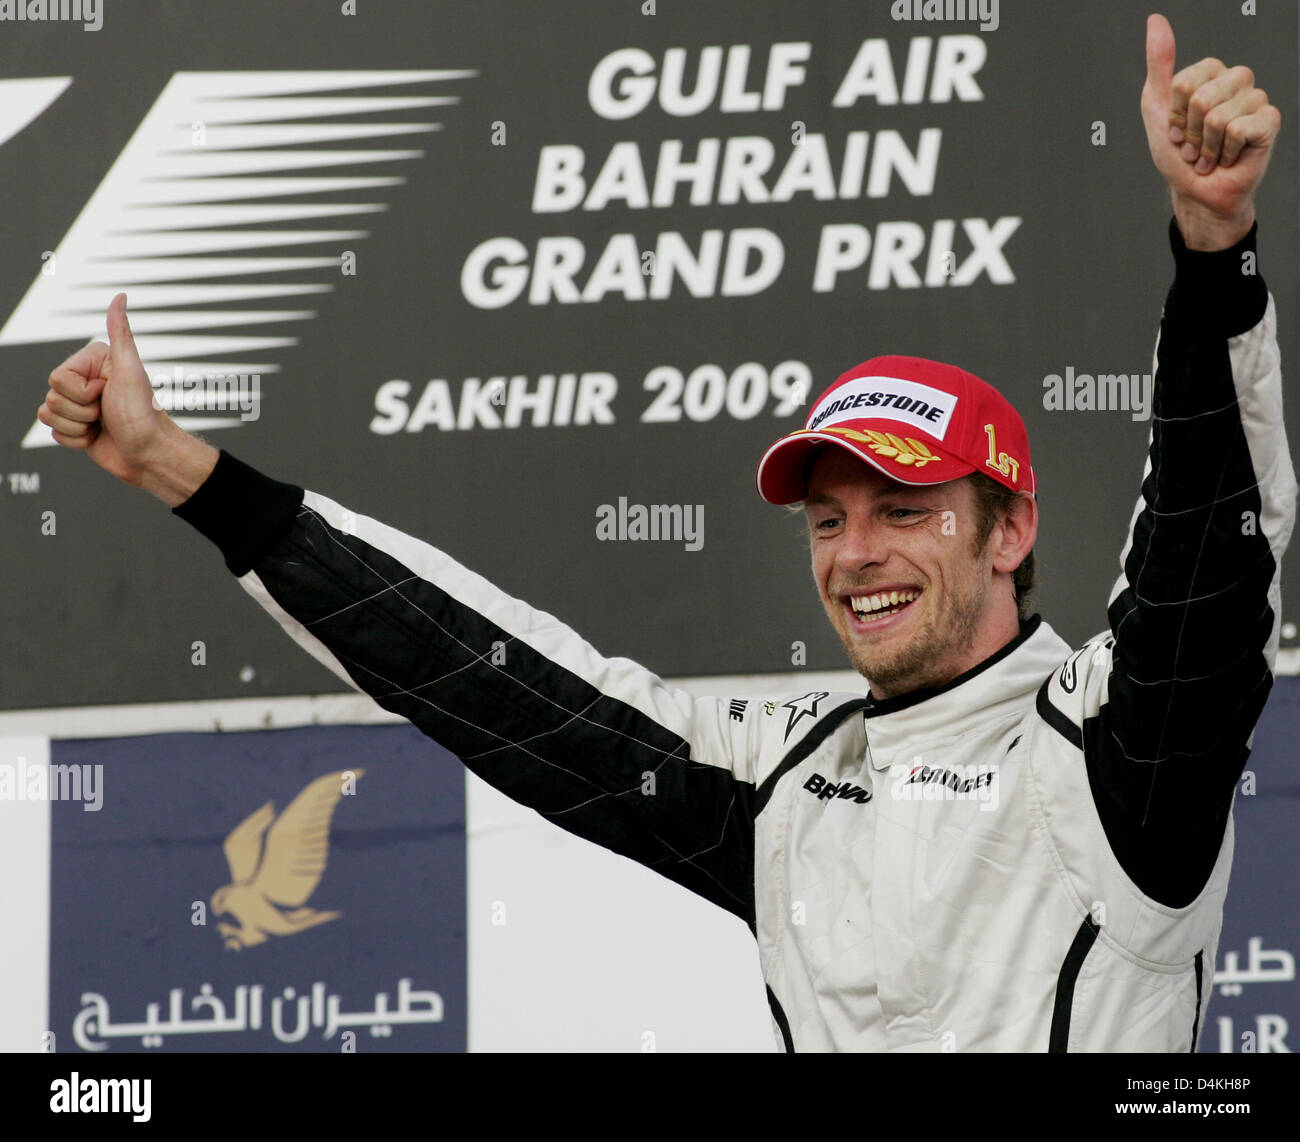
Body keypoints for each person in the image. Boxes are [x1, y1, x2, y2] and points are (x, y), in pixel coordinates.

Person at [38, 14, 1293, 1051]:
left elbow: (1206, 546)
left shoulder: (1117, 750)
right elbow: (494, 676)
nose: (855, 554)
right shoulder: (783, 782)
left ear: (1008, 525)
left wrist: (1210, 248)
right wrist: (184, 471)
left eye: (905, 511)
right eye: (827, 519)